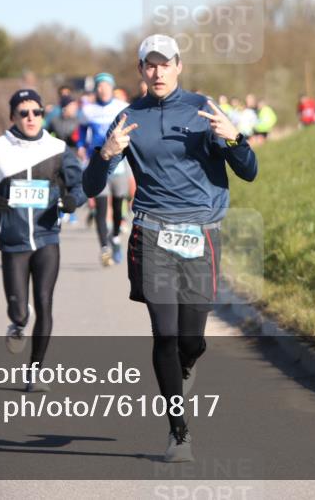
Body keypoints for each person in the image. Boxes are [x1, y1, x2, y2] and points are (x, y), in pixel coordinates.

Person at [83, 34, 258, 463]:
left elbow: (249, 172)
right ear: (141, 70)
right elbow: (90, 185)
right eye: (150, 64)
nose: (158, 72)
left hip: (200, 234)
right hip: (152, 232)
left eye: (165, 64)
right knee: (164, 332)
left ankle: (186, 363)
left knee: (191, 340)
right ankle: (179, 432)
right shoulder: (129, 117)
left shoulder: (203, 110)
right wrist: (105, 155)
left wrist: (234, 139)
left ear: (179, 65)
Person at [0, 89, 86, 391]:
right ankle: (18, 322)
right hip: (14, 240)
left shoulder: (57, 148)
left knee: (45, 303)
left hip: (48, 237)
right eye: (23, 113)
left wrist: (72, 200)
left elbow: (80, 185)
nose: (31, 118)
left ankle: (35, 372)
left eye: (36, 112)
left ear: (43, 114)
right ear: (13, 117)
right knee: (19, 311)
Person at [78, 73, 130, 266]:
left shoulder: (122, 107)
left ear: (112, 88)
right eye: (99, 86)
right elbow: (81, 129)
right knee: (100, 208)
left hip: (118, 164)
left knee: (118, 205)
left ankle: (115, 237)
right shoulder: (88, 110)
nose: (103, 89)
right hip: (97, 163)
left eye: (106, 86)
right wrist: (81, 145)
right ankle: (104, 248)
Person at [48, 95, 82, 225]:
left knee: (74, 183)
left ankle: (71, 212)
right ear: (64, 108)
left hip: (74, 155)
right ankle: (61, 210)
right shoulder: (55, 121)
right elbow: (48, 134)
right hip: (58, 155)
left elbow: (83, 138)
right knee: (60, 183)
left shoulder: (78, 121)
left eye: (75, 106)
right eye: (71, 106)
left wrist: (79, 143)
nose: (74, 108)